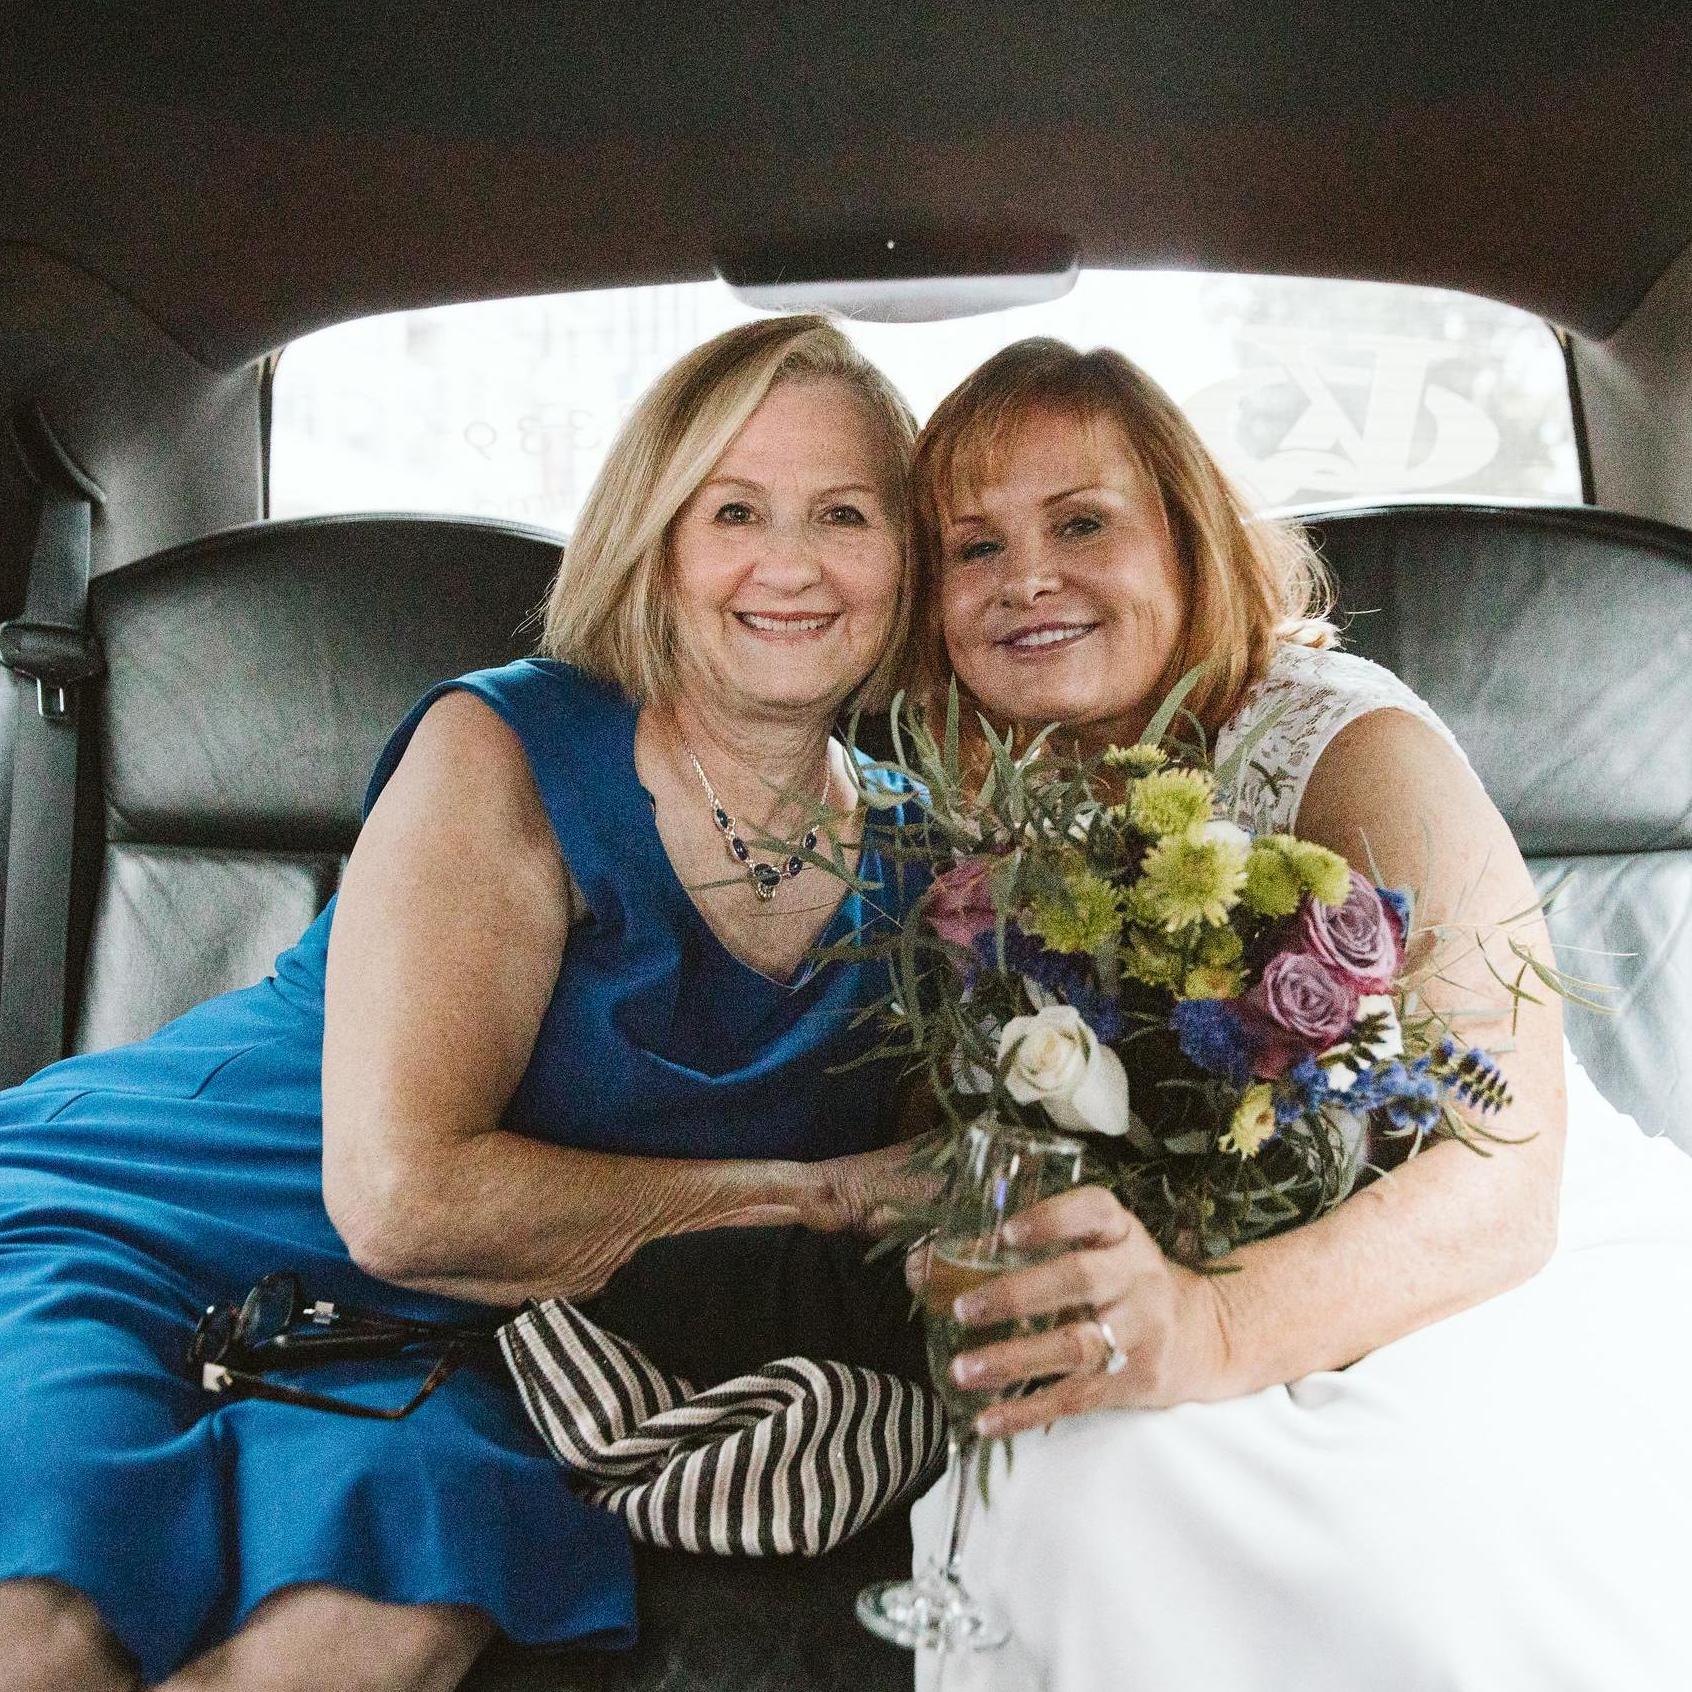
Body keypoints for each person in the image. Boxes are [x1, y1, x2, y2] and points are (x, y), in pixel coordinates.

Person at [0, 315, 927, 1692]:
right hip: (142, 1224)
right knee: (46, 1627)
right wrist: (832, 1192)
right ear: (657, 543)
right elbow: (403, 1201)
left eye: (844, 514)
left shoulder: (934, 861)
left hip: (460, 1335)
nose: (787, 564)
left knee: (378, 1636)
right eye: (733, 510)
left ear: (906, 559)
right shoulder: (505, 740)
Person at [902, 337, 1692, 1690]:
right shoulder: (981, 812)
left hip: (1485, 1260)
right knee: (1079, 1487)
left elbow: (1501, 1169)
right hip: (1207, 1254)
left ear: (1189, 543)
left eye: (1081, 522)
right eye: (973, 550)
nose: (1024, 578)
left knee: (1375, 1517)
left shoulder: (1346, 746)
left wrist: (1204, 1333)